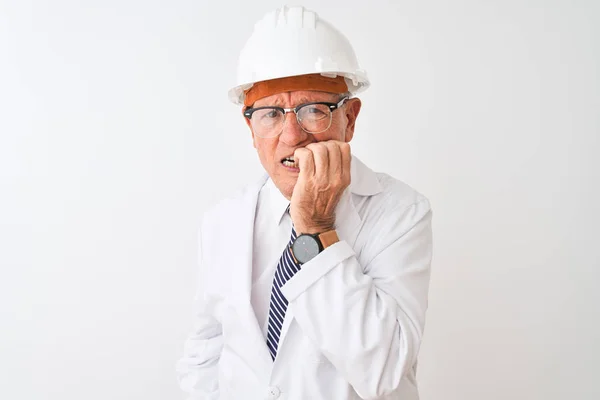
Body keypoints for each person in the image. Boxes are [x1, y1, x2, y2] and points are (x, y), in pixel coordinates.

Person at [177, 5, 433, 400]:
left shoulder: (401, 212)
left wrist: (316, 227)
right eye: (270, 114)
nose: (292, 135)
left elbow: (385, 372)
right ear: (251, 127)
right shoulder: (222, 221)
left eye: (314, 110)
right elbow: (206, 354)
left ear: (350, 117)